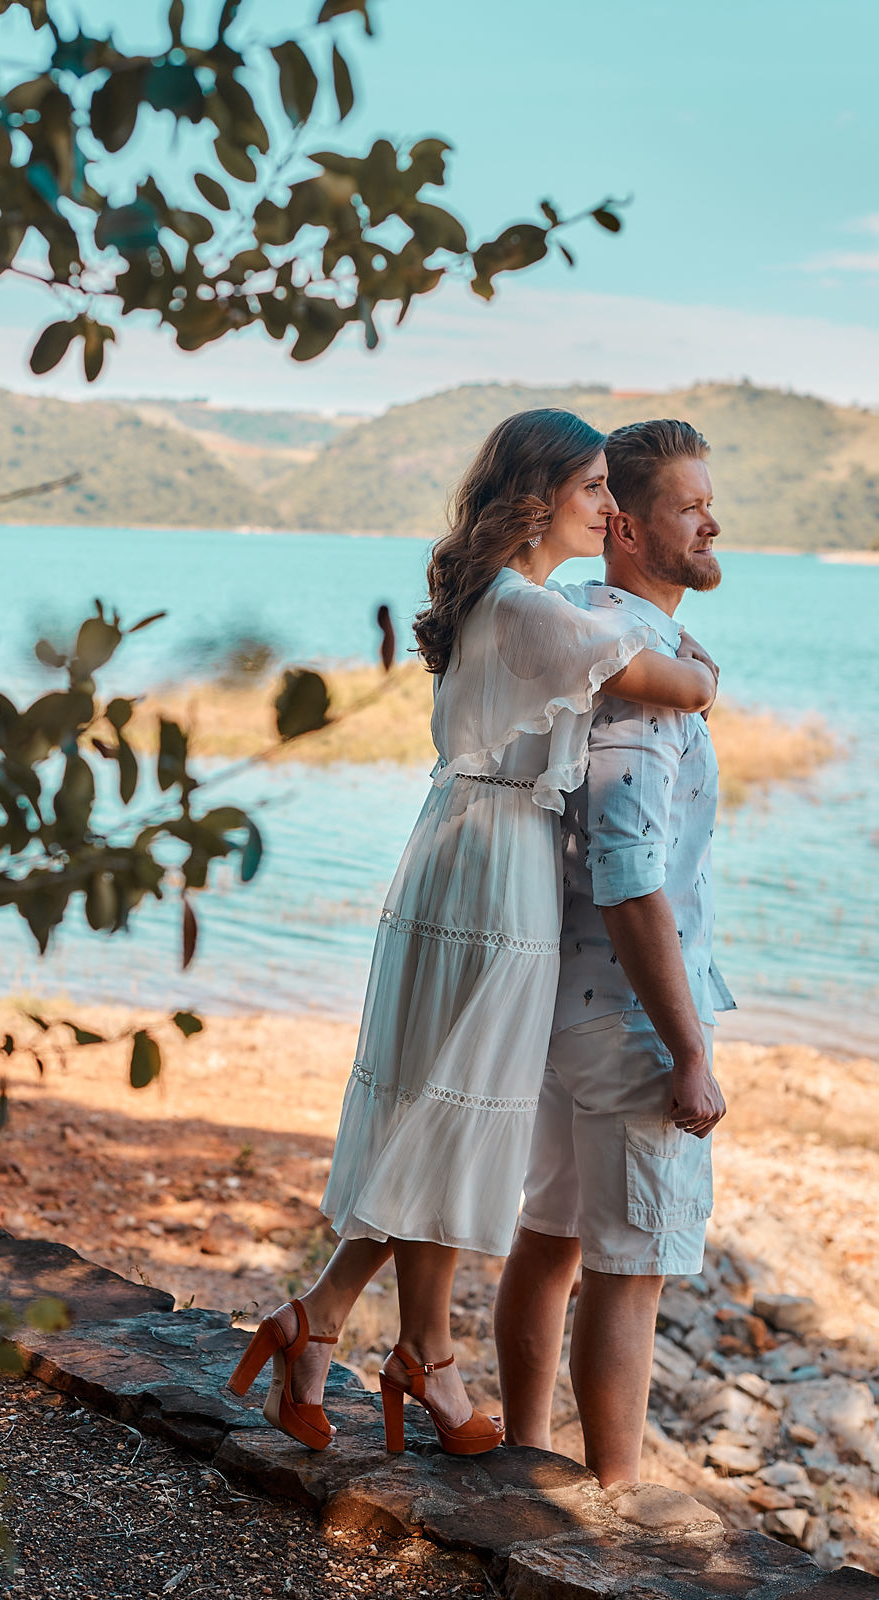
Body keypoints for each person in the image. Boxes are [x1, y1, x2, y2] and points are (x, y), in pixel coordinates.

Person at [228, 409, 719, 1457]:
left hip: (464, 850)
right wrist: (703, 670)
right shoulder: (531, 611)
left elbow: (628, 651)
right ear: (541, 499)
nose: (608, 506)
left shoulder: (508, 602)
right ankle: (420, 1358)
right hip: (496, 874)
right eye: (595, 489)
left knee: (440, 1104)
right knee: (458, 1111)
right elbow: (679, 679)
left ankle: (327, 1325)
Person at [493, 417, 733, 1487]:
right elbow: (631, 870)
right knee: (629, 1272)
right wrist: (688, 1047)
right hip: (625, 1016)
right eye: (691, 506)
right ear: (627, 528)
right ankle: (610, 1513)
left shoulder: (589, 629)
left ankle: (521, 1466)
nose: (714, 520)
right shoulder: (633, 664)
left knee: (548, 1241)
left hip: (557, 998)